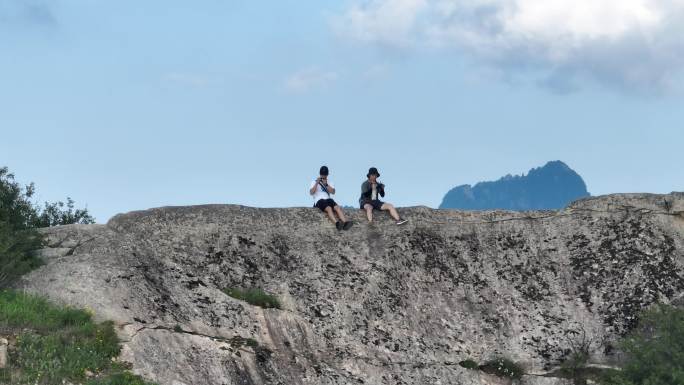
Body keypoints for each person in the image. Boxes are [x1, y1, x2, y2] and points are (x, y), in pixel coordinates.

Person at [310, 166, 352, 230]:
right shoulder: (314, 182)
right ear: (320, 174)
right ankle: (337, 223)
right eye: (322, 175)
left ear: (327, 175)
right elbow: (311, 192)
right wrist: (317, 183)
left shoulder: (330, 182)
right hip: (319, 200)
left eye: (325, 175)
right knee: (329, 208)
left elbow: (333, 192)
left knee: (337, 207)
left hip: (328, 199)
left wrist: (326, 184)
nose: (323, 176)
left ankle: (345, 222)